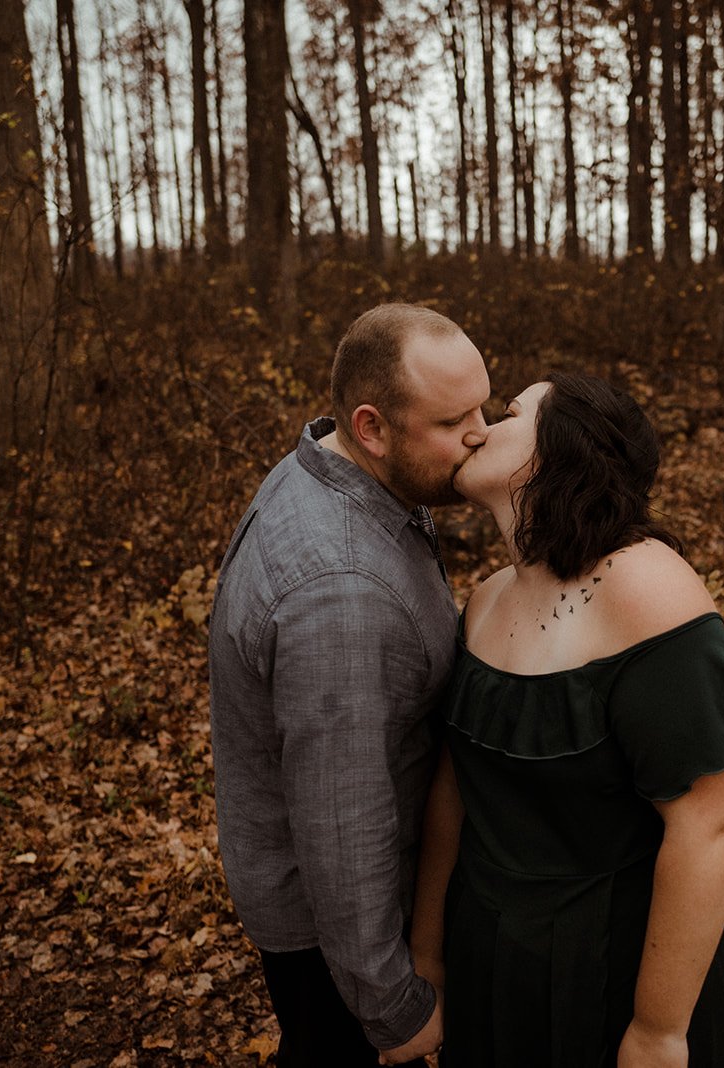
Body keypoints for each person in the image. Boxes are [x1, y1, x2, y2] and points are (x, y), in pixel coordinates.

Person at [409, 372, 724, 1067]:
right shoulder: (487, 599)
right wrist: (427, 953)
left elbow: (712, 820)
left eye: (510, 412)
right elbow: (453, 792)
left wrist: (659, 1028)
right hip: (497, 967)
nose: (479, 429)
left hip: (621, 972)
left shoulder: (647, 587)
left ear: (560, 447)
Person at [209, 303, 491, 1066]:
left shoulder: (336, 467)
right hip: (342, 943)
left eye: (483, 407)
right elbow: (344, 826)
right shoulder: (342, 592)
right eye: (450, 421)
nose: (480, 434)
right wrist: (394, 1008)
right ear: (371, 427)